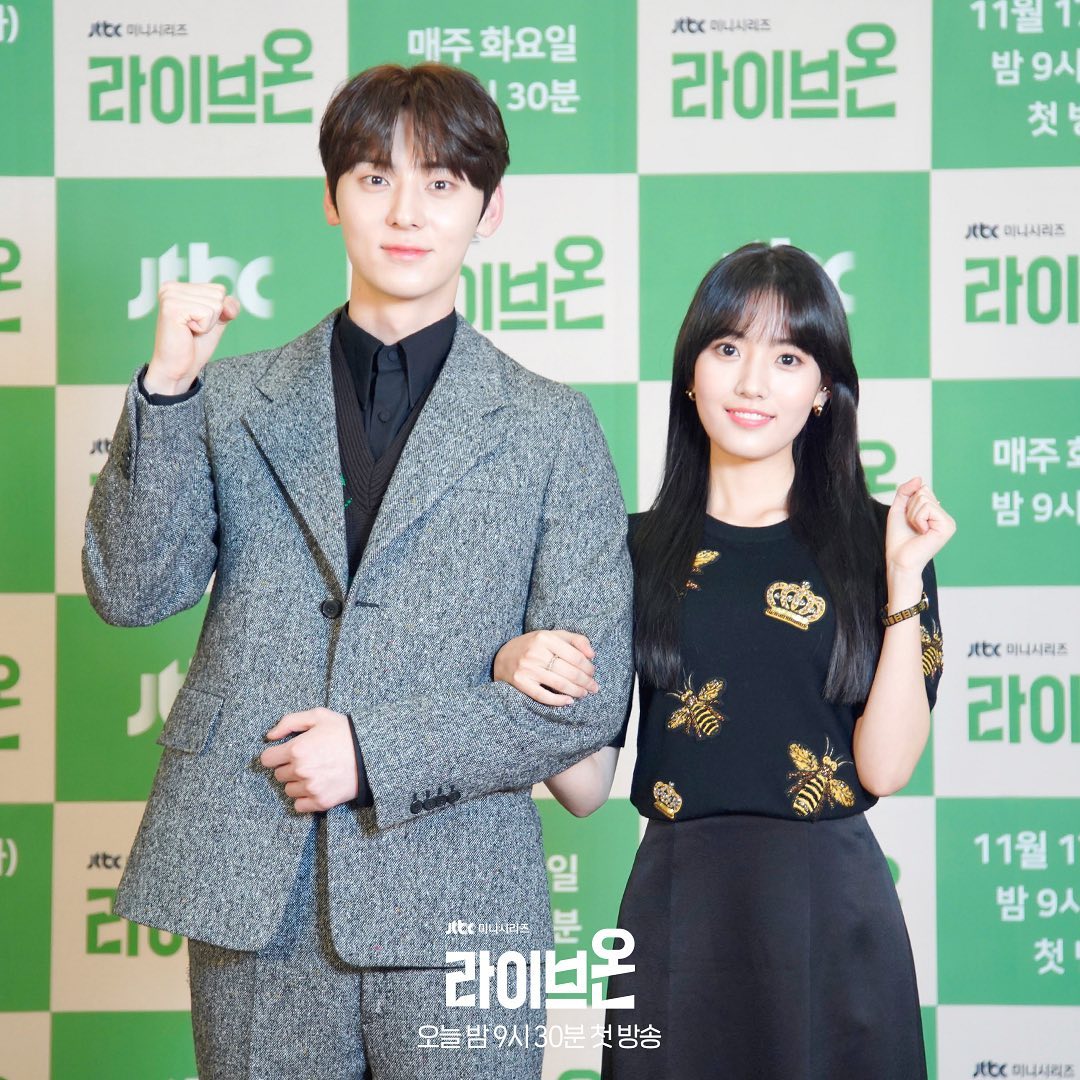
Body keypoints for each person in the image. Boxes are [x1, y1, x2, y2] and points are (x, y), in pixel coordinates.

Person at [83, 63, 633, 1080]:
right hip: (257, 882)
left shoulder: (553, 426)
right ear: (332, 199)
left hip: (463, 895)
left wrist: (376, 753)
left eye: (442, 183)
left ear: (490, 209)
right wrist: (167, 388)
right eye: (377, 178)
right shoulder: (227, 395)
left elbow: (585, 707)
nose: (407, 212)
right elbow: (132, 590)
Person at [494, 242, 954, 1079]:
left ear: (824, 390)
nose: (752, 383)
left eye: (788, 358)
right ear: (690, 375)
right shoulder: (625, 551)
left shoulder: (884, 541)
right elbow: (586, 790)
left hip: (832, 914)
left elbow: (884, 769)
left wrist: (901, 581)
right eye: (728, 348)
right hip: (678, 909)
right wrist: (515, 670)